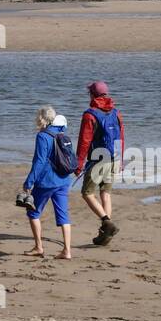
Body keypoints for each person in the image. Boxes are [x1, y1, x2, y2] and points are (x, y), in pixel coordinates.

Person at [75, 80, 124, 246]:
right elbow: (120, 137)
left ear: (91, 94)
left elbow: (84, 142)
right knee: (105, 193)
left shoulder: (90, 114)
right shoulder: (116, 113)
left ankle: (106, 222)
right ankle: (105, 234)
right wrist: (121, 159)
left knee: (87, 193)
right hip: (114, 158)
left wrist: (78, 164)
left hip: (98, 160)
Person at [21, 106, 73, 259]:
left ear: (42, 119)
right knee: (63, 215)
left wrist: (29, 181)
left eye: (38, 116)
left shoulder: (42, 136)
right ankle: (67, 251)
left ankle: (39, 247)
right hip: (63, 180)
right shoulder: (62, 134)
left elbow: (40, 161)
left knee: (33, 212)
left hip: (46, 182)